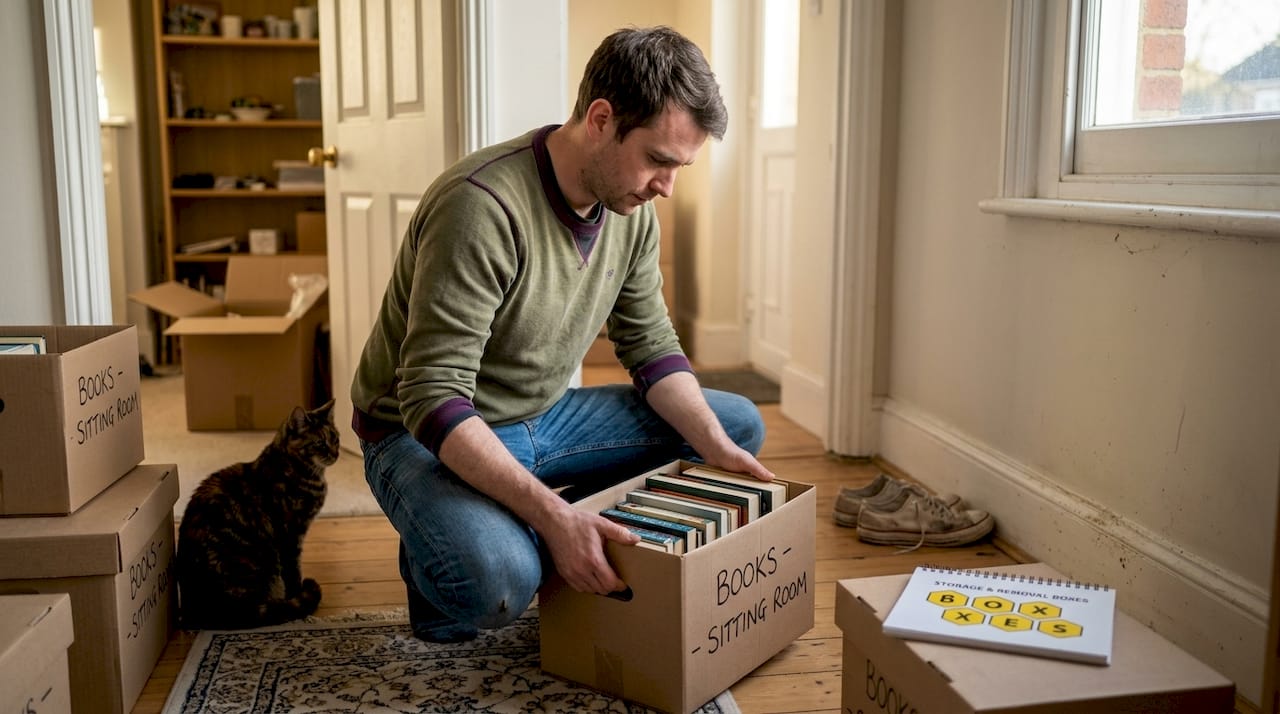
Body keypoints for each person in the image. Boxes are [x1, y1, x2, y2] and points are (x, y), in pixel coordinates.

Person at [350, 25, 774, 643]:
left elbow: (652, 348)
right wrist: (551, 517)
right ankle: (467, 542)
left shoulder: (632, 211)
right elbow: (431, 397)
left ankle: (523, 515)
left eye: (680, 167)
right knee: (494, 582)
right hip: (419, 433)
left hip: (542, 420)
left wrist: (712, 445)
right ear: (601, 119)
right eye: (658, 160)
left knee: (733, 428)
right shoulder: (481, 206)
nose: (666, 186)